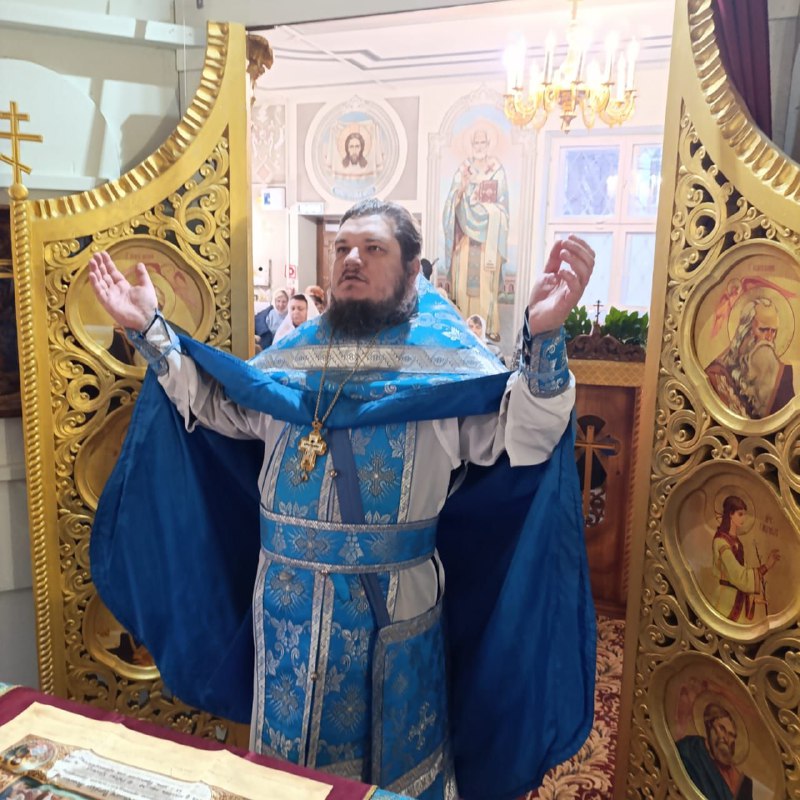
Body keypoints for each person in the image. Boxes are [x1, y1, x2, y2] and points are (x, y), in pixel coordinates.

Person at [87, 199, 596, 800]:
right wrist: (150, 328)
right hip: (285, 614)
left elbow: (529, 435)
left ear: (411, 271)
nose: (352, 258)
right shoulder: (292, 359)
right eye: (343, 248)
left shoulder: (448, 367)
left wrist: (544, 333)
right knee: (285, 777)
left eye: (374, 248)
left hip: (391, 618)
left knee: (390, 778)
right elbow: (214, 404)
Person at [442, 127, 510, 341]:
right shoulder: (464, 169)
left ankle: (488, 331)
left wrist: (490, 210)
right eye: (476, 143)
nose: (479, 147)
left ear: (488, 144)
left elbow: (504, 207)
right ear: (471, 145)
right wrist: (462, 188)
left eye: (483, 143)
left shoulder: (496, 170)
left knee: (486, 286)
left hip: (488, 242)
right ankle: (463, 330)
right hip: (465, 239)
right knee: (462, 286)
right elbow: (451, 205)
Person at [705, 296, 797, 418]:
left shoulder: (785, 375)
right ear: (746, 331)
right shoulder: (718, 373)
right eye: (763, 330)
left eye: (773, 331)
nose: (769, 338)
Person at [712, 495, 779, 622]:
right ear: (730, 514)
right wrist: (766, 566)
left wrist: (752, 599)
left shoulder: (737, 542)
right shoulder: (721, 542)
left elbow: (742, 579)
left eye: (744, 514)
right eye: (740, 514)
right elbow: (738, 576)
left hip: (738, 600)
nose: (744, 518)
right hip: (726, 601)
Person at [676, 700, 754, 799]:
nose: (726, 738)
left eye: (731, 735)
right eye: (722, 729)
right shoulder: (690, 750)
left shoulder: (735, 777)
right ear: (709, 725)